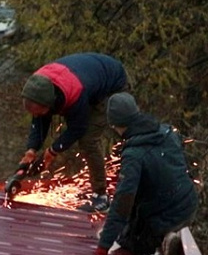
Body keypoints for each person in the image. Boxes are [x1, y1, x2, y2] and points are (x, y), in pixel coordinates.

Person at [94, 92, 198, 255]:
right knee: (136, 217)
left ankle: (163, 240)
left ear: (115, 124)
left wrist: (103, 245)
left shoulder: (134, 154)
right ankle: (166, 233)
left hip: (164, 215)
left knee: (130, 245)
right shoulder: (166, 132)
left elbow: (123, 201)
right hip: (188, 203)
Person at [19, 52, 129, 213]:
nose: (36, 116)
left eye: (40, 112)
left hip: (113, 84)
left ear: (51, 103)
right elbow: (40, 121)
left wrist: (53, 150)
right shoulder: (39, 88)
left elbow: (78, 128)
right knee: (55, 123)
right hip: (90, 81)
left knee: (88, 141)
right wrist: (31, 150)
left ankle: (101, 196)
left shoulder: (73, 94)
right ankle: (94, 187)